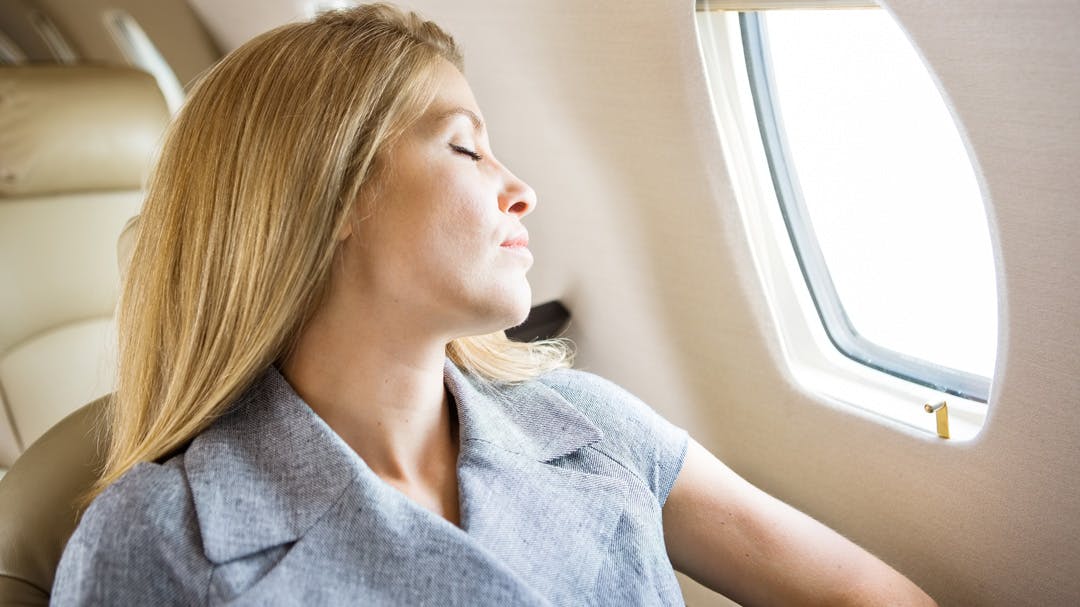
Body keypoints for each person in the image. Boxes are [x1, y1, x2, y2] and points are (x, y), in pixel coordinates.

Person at [51, 4, 937, 606]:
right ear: (334, 195)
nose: (523, 191)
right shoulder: (151, 538)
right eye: (467, 149)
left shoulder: (588, 424)